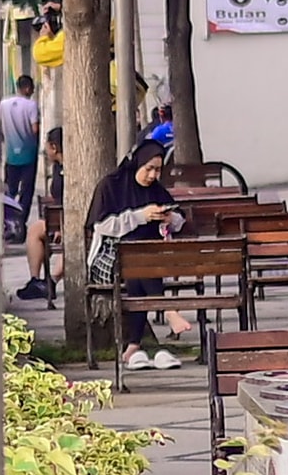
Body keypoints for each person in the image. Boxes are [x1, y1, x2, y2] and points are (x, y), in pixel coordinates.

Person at [85, 137, 191, 364]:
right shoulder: (111, 186)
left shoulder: (156, 189)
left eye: (158, 170)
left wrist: (169, 217)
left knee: (141, 269)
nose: (153, 176)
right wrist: (140, 216)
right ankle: (169, 311)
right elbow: (102, 225)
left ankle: (133, 345)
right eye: (149, 169)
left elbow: (180, 219)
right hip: (110, 258)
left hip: (148, 259)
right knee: (137, 263)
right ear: (138, 164)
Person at [20, 125, 69, 304]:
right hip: (58, 220)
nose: (46, 152)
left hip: (73, 221)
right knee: (35, 231)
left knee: (74, 241)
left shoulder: (71, 169)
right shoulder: (57, 168)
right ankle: (36, 279)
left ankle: (52, 280)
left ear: (54, 147)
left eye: (47, 147)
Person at [0, 74, 45, 248]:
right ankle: (20, 225)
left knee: (9, 192)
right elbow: (34, 129)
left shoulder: (3, 104)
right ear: (27, 88)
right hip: (28, 156)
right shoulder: (31, 105)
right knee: (26, 192)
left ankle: (9, 223)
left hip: (11, 157)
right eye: (32, 89)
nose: (32, 92)